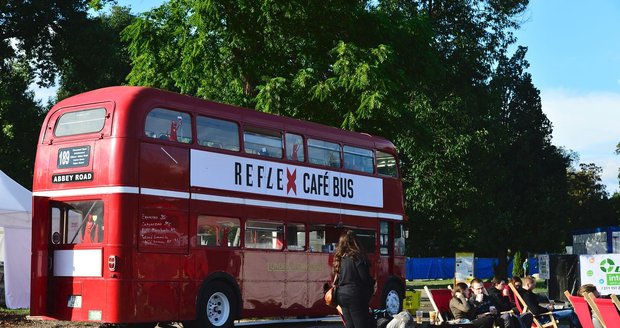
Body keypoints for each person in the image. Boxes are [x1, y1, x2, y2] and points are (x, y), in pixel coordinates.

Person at [333, 230, 375, 328]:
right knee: (361, 324)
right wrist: (372, 284)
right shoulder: (358, 257)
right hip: (356, 295)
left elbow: (338, 278)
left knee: (349, 325)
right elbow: (364, 278)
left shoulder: (340, 258)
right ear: (356, 242)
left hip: (341, 295)